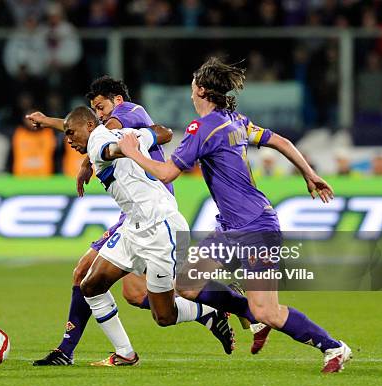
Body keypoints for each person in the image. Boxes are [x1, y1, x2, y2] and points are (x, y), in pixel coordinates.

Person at [118, 57, 352, 373]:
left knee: (268, 311)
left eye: (192, 83)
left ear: (199, 89)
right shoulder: (235, 120)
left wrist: (133, 153)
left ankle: (333, 347)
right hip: (230, 227)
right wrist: (308, 173)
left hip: (256, 228)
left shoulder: (202, 128)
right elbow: (279, 140)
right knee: (187, 284)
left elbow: (167, 173)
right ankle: (251, 313)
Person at [26, 77, 235, 366]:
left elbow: (101, 135)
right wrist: (51, 121)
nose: (100, 114)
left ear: (117, 101)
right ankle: (121, 352)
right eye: (95, 110)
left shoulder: (128, 114)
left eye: (101, 107)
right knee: (130, 293)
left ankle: (224, 302)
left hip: (154, 215)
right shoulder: (108, 127)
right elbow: (89, 128)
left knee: (94, 278)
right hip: (134, 218)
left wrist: (92, 158)